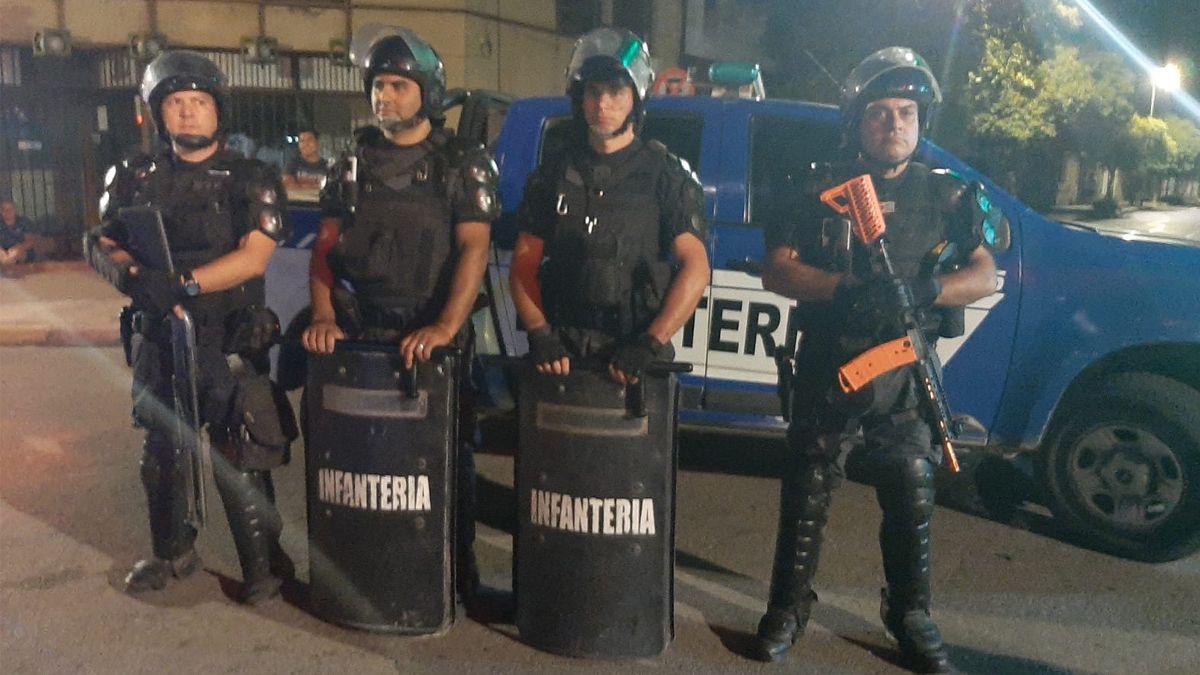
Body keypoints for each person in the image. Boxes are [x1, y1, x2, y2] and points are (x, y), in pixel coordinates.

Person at [753, 47, 998, 673]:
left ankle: (910, 613)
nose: (894, 124)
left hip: (905, 370)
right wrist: (843, 288)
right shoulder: (816, 188)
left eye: (907, 112)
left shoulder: (948, 195)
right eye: (880, 112)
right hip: (830, 361)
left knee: (913, 487)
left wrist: (928, 290)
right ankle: (787, 607)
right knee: (808, 488)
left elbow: (984, 273)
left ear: (922, 120)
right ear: (857, 122)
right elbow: (778, 271)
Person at [83, 50, 294, 604]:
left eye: (198, 101)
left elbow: (255, 256)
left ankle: (263, 565)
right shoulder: (135, 177)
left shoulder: (250, 177)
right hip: (161, 335)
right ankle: (170, 552)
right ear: (159, 112)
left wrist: (181, 284)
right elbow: (101, 239)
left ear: (217, 109)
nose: (186, 111)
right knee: (162, 451)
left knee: (242, 450)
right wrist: (133, 278)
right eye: (175, 102)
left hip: (228, 333)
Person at [300, 26, 498, 598]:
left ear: (426, 94)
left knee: (449, 459)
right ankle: (372, 574)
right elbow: (325, 249)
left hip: (433, 339)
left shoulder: (462, 163)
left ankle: (457, 572)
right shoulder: (351, 163)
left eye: (398, 86)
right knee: (367, 460)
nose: (384, 96)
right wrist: (322, 316)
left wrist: (445, 327)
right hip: (364, 335)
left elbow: (474, 248)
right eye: (378, 86)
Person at [508, 27, 709, 384]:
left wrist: (650, 343)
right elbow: (524, 264)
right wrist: (540, 333)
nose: (602, 104)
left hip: (635, 358)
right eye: (593, 92)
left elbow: (696, 266)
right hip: (564, 356)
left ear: (636, 97)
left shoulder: (666, 175)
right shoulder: (553, 174)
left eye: (616, 92)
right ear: (580, 97)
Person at [0, 199, 35, 272]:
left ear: (15, 210)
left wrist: (19, 248)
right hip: (3, 253)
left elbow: (30, 241)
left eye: (10, 209)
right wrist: (2, 252)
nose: (8, 211)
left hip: (21, 251)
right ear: (1, 211)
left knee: (17, 255)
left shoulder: (24, 221)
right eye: (4, 209)